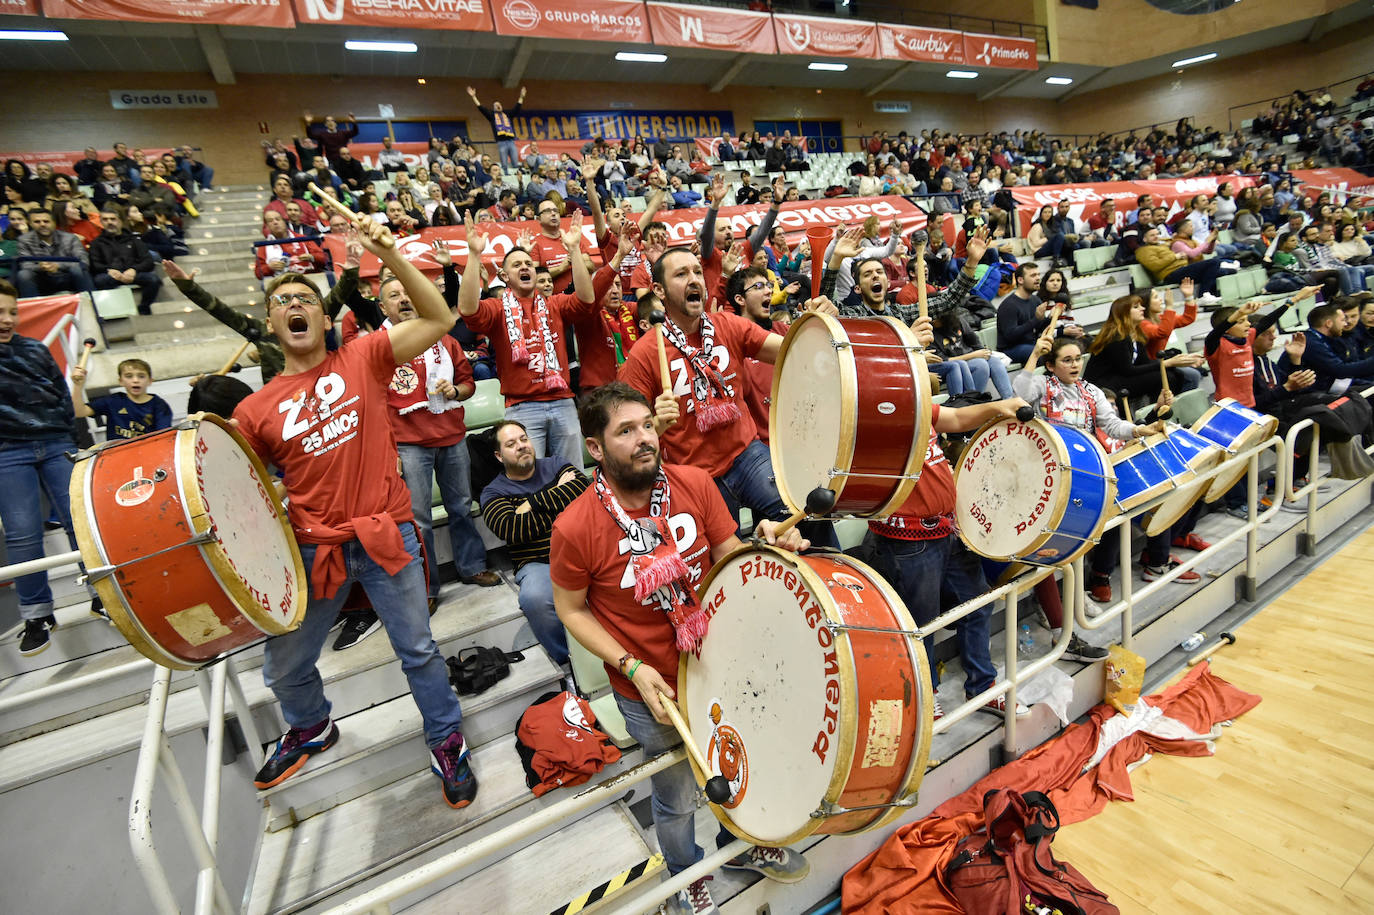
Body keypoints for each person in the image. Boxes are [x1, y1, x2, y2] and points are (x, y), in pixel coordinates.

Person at [233, 219, 478, 809]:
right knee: (284, 665)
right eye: (282, 302)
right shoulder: (252, 409)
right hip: (314, 548)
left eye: (305, 300)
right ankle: (312, 724)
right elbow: (245, 491)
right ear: (271, 325)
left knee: (417, 648)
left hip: (386, 534)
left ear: (324, 317)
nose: (294, 306)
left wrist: (389, 253)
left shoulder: (363, 356)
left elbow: (440, 319)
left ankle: (446, 738)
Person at [550, 382, 810, 915]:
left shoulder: (695, 483)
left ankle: (744, 843)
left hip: (720, 665)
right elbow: (572, 610)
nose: (645, 438)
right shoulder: (574, 527)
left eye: (648, 424)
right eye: (626, 431)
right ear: (595, 449)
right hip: (651, 686)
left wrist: (769, 548)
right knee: (675, 796)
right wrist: (632, 666)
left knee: (742, 762)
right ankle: (684, 873)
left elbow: (730, 560)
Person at [864, 389, 1040, 720]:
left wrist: (1001, 407)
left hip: (948, 530)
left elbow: (956, 418)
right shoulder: (870, 410)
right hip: (908, 541)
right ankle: (924, 696)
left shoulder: (910, 401)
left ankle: (982, 685)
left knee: (977, 603)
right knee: (923, 624)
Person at [378, 271, 502, 619]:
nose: (404, 299)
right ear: (382, 306)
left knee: (462, 506)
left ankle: (471, 566)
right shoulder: (377, 348)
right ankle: (427, 586)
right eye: (394, 295)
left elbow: (467, 383)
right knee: (418, 519)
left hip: (450, 436)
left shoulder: (444, 340)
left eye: (407, 292)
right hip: (408, 444)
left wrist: (456, 391)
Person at [0, 278, 96, 655]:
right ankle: (38, 614)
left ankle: (102, 591)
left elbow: (59, 396)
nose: (6, 319)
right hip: (7, 452)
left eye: (11, 312)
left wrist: (66, 439)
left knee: (81, 519)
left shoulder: (37, 350)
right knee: (22, 533)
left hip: (56, 443)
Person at [457, 212, 596, 466]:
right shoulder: (497, 309)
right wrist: (473, 255)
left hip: (563, 402)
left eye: (529, 263)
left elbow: (587, 299)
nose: (525, 267)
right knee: (530, 482)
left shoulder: (555, 303)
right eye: (517, 264)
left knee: (572, 480)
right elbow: (467, 309)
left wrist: (574, 250)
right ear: (504, 276)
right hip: (522, 408)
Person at [480, 420, 587, 668]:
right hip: (538, 562)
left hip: (581, 551)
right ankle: (570, 661)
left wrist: (531, 503)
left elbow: (584, 492)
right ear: (499, 455)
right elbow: (512, 529)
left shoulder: (556, 464)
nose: (521, 446)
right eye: (511, 444)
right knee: (535, 599)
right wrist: (559, 495)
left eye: (523, 439)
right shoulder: (492, 492)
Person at [1085, 295, 1206, 407]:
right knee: (1165, 377)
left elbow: (1146, 362)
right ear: (1124, 312)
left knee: (1175, 374)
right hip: (1104, 383)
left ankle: (1167, 412)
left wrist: (1181, 360)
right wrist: (1167, 363)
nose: (1142, 308)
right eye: (1136, 307)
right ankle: (1157, 414)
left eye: (1141, 305)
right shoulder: (1117, 337)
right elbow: (1127, 370)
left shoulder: (1136, 334)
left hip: (1120, 377)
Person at [1204, 289, 1317, 406]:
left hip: (1250, 404)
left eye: (1247, 320)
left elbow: (1267, 321)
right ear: (1227, 328)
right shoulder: (1216, 345)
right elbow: (1215, 333)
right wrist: (1238, 313)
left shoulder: (1247, 339)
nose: (1248, 324)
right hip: (1229, 405)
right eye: (1241, 321)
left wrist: (1294, 299)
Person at [70, 357, 171, 440]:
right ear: (121, 381)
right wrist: (78, 386)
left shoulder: (159, 405)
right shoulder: (113, 401)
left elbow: (163, 437)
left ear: (150, 381)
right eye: (129, 376)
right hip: (116, 454)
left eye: (141, 376)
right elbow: (79, 412)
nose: (135, 380)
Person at [88, 208, 161, 315]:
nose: (109, 222)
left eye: (113, 219)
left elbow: (147, 261)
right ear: (101, 222)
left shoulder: (134, 240)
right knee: (100, 280)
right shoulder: (96, 243)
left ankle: (144, 309)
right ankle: (114, 311)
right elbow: (94, 264)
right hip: (110, 275)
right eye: (105, 219)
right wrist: (108, 270)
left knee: (153, 279)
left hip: (133, 273)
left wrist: (134, 270)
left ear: (120, 221)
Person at [15, 209, 88, 298]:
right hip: (41, 277)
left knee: (78, 269)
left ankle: (90, 302)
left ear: (54, 223)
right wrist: (41, 267)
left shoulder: (70, 238)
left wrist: (58, 265)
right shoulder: (23, 240)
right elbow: (24, 265)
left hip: (67, 276)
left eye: (46, 221)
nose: (42, 224)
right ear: (30, 224)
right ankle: (33, 308)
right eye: (37, 222)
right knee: (24, 274)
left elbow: (83, 261)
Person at [467, 85, 525, 171]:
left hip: (511, 141)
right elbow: (481, 108)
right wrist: (474, 97)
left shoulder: (507, 114)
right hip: (501, 142)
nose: (498, 106)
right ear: (493, 108)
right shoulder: (492, 116)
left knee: (515, 163)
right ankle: (506, 175)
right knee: (504, 164)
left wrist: (521, 97)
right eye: (496, 105)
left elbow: (517, 108)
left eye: (499, 104)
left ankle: (518, 176)